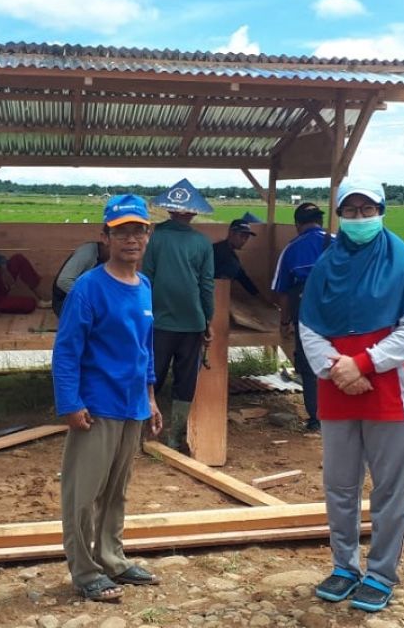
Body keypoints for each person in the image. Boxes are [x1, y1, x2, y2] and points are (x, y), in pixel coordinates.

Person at [299, 184, 404, 614]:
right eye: (350, 210)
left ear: (382, 210)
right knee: (339, 485)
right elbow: (308, 326)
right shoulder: (325, 266)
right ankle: (345, 565)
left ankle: (380, 572)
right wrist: (338, 368)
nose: (359, 217)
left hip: (387, 388)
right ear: (338, 215)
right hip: (337, 386)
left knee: (391, 488)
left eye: (367, 208)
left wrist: (364, 364)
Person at [53, 194, 164, 602]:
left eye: (139, 230)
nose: (131, 239)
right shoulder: (89, 288)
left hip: (132, 404)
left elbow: (144, 348)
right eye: (122, 232)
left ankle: (113, 558)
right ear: (106, 237)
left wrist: (150, 398)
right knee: (83, 494)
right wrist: (70, 402)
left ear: (148, 236)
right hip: (97, 405)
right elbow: (67, 350)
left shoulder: (144, 286)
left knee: (117, 490)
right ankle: (85, 571)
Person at [141, 178, 215, 449]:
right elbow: (206, 285)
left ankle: (147, 432)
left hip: (159, 321)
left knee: (153, 374)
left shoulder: (154, 237)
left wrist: (142, 315)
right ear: (193, 212)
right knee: (186, 379)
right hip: (192, 322)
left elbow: (145, 278)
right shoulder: (202, 243)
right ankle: (175, 437)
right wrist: (209, 320)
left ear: (170, 210)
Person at [271, 202, 331, 431]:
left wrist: (284, 322)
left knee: (308, 364)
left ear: (297, 225)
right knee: (339, 359)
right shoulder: (338, 243)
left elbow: (283, 293)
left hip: (306, 314)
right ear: (321, 221)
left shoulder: (292, 249)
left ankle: (316, 419)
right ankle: (343, 415)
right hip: (337, 314)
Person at [51, 238, 109, 318]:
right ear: (106, 240)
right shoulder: (86, 253)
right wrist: (93, 297)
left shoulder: (119, 257)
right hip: (67, 302)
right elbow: (63, 281)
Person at [212, 218, 267, 299]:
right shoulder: (217, 252)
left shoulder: (231, 256)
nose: (244, 240)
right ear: (231, 233)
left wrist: (259, 297)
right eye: (241, 236)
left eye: (246, 237)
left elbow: (243, 277)